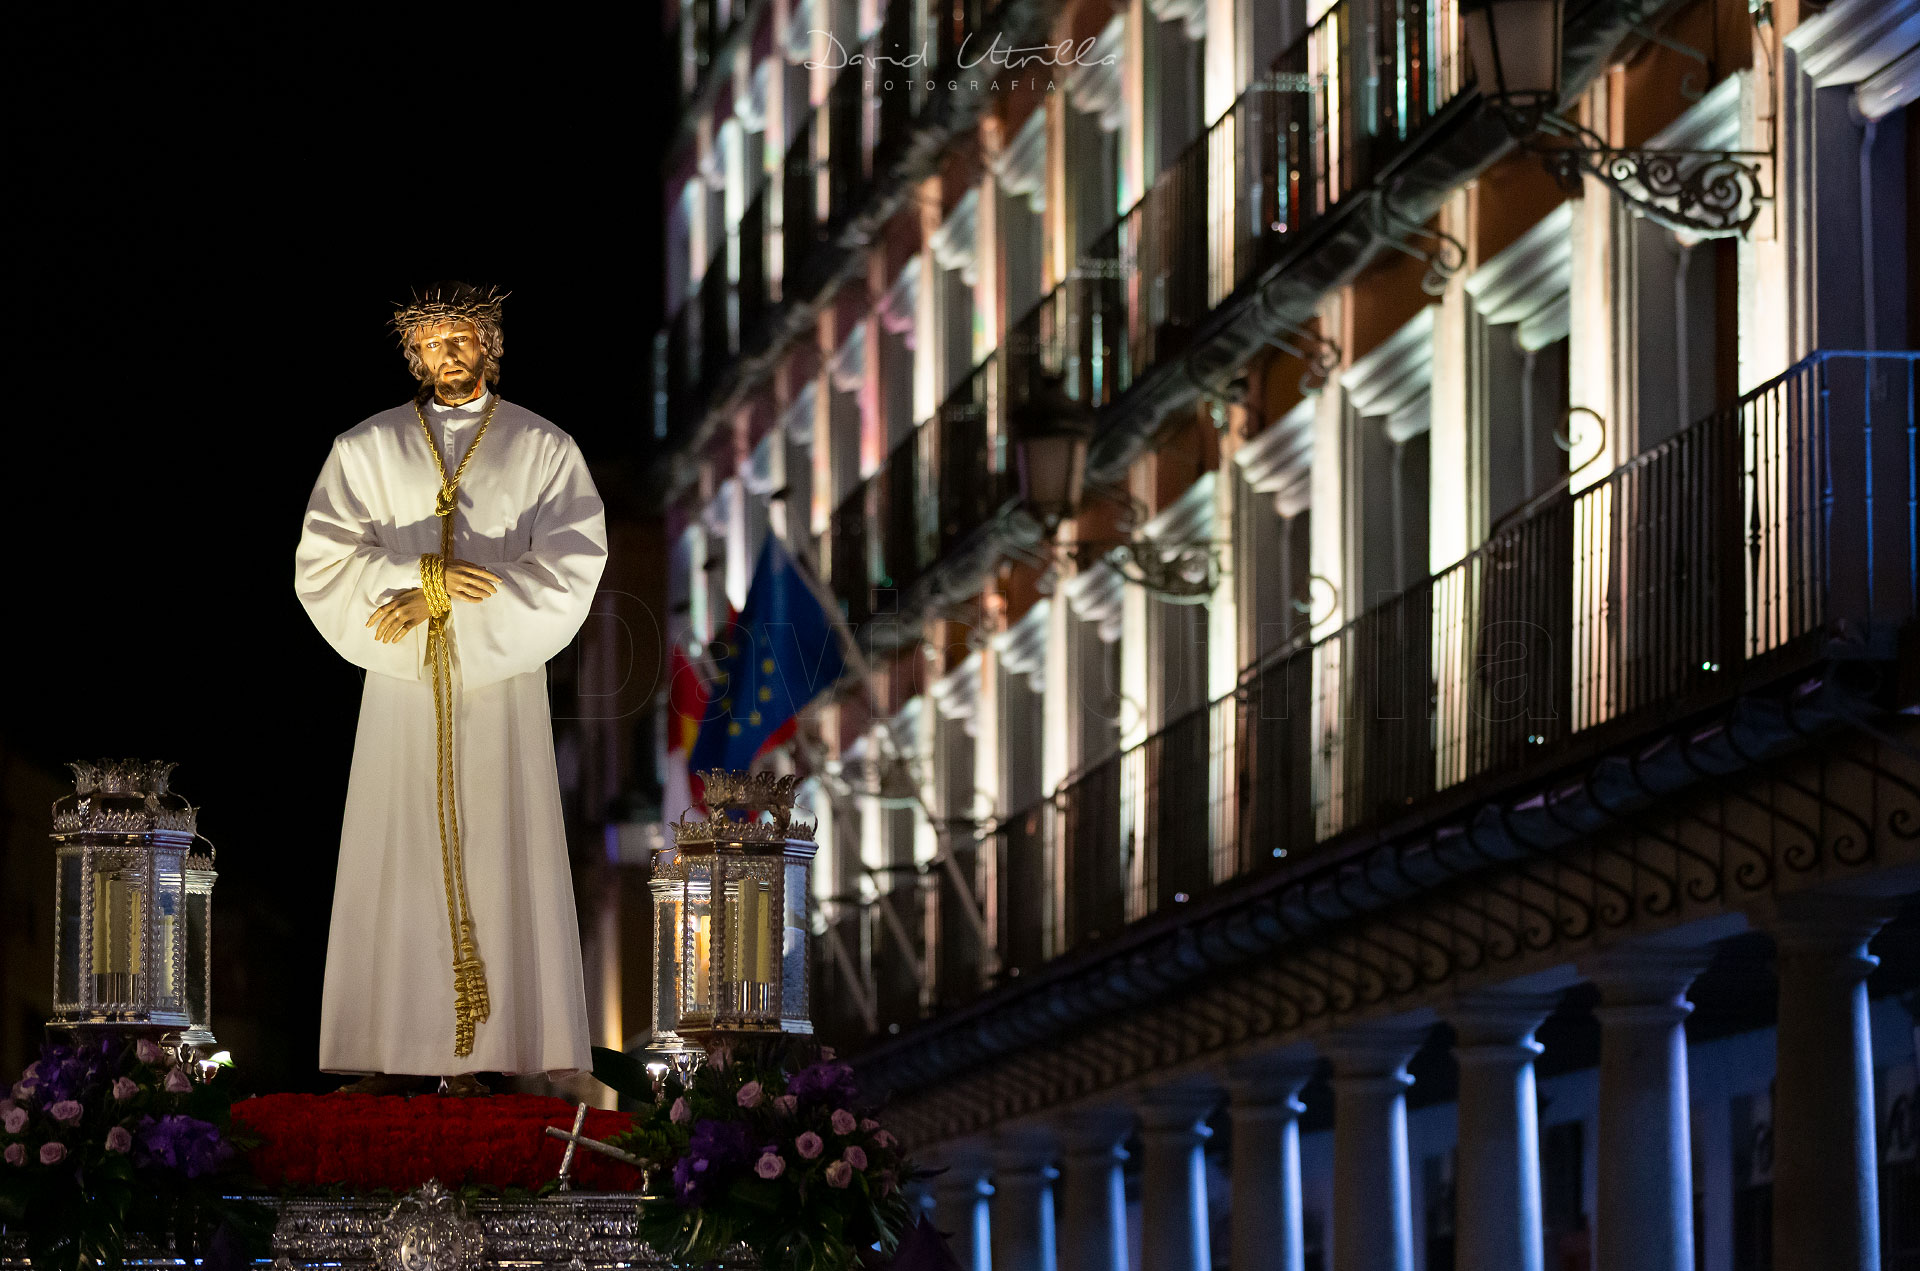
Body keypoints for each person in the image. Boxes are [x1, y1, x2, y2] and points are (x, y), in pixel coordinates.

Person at [293, 282, 606, 1095]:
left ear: (489, 345)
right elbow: (321, 563)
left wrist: (471, 607)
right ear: (414, 355)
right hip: (402, 693)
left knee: (503, 843)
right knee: (396, 851)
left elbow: (574, 564)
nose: (447, 356)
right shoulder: (366, 449)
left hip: (500, 690)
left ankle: (494, 1052)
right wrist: (420, 578)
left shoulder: (543, 449)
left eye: (460, 341)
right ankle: (393, 1046)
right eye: (431, 345)